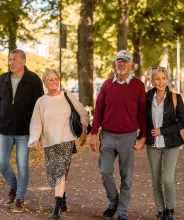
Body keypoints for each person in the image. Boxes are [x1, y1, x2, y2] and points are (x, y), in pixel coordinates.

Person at [90, 50, 147, 220]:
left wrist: (143, 136)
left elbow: (142, 113)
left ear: (130, 65)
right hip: (107, 136)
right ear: (115, 63)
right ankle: (114, 201)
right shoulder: (107, 84)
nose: (122, 64)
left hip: (128, 137)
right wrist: (94, 133)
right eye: (119, 61)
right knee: (104, 171)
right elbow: (99, 109)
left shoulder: (138, 85)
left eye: (125, 61)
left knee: (126, 177)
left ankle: (122, 211)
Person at [28, 69, 89, 219]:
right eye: (50, 80)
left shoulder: (67, 96)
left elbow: (83, 113)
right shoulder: (41, 101)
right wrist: (35, 138)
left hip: (66, 140)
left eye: (56, 79)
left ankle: (56, 208)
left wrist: (83, 130)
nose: (54, 82)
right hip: (49, 142)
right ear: (45, 83)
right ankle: (62, 199)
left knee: (60, 172)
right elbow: (36, 122)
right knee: (54, 173)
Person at [0, 49, 44, 212]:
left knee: (23, 165)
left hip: (25, 131)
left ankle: (19, 197)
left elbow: (39, 106)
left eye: (14, 60)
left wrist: (38, 132)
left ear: (23, 61)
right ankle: (14, 187)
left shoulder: (33, 79)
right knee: (1, 162)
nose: (11, 62)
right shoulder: (2, 79)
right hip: (4, 129)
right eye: (10, 59)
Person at [146, 67, 184, 220]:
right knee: (155, 180)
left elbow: (182, 122)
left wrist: (162, 130)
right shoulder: (147, 97)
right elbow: (142, 120)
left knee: (167, 179)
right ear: (152, 81)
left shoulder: (176, 97)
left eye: (163, 78)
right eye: (157, 78)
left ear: (167, 79)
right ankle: (160, 211)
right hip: (152, 145)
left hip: (171, 144)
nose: (161, 81)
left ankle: (170, 210)